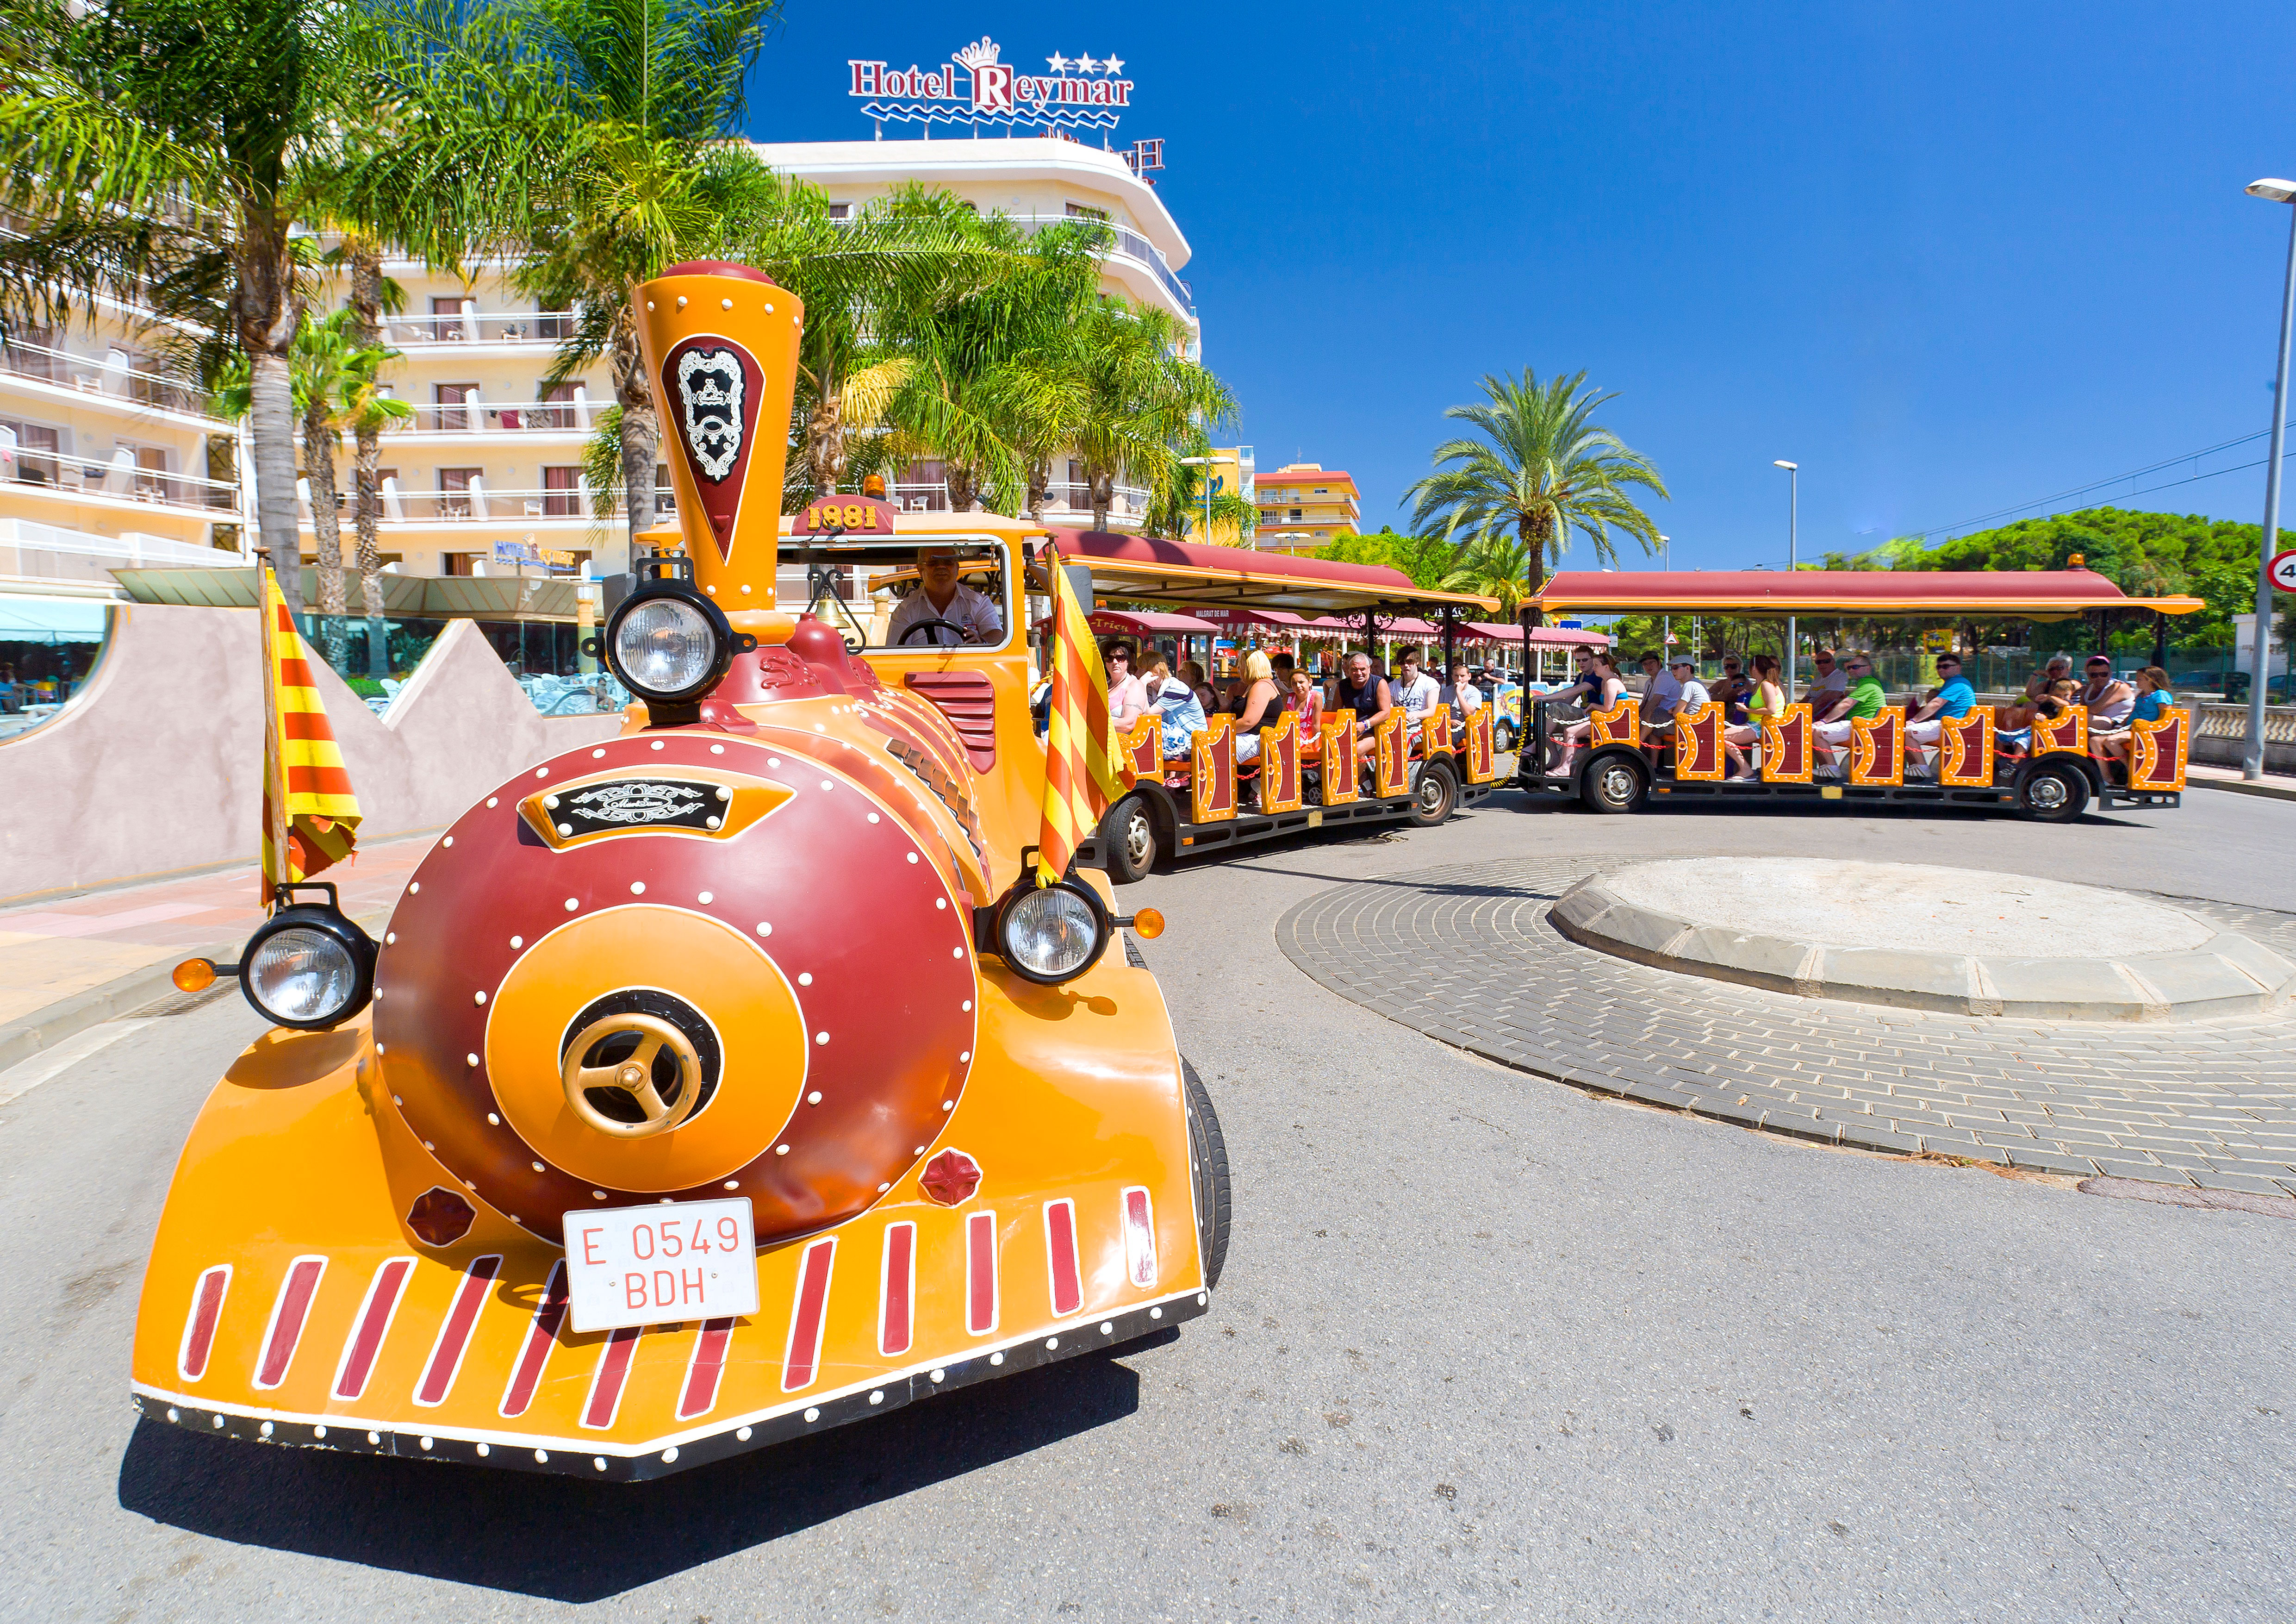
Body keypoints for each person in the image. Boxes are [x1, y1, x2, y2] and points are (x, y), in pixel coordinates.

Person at [885, 545, 1003, 646]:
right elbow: (893, 652)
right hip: (923, 671)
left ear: (957, 568)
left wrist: (981, 641)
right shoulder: (905, 610)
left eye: (948, 562)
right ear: (921, 569)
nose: (941, 567)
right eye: (933, 563)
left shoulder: (978, 603)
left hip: (969, 670)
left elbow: (996, 635)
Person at [1548, 650, 1627, 773]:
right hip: (1606, 719)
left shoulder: (1612, 682)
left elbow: (1607, 709)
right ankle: (1561, 765)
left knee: (1570, 731)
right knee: (1568, 730)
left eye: (1597, 666)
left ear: (1606, 667)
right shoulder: (1606, 682)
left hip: (1610, 722)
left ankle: (1565, 768)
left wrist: (1593, 705)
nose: (1594, 668)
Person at [2098, 667, 2174, 777]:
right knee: (2096, 740)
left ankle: (2131, 768)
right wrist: (2119, 726)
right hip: (2131, 728)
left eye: (2140, 679)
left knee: (2112, 741)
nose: (2137, 682)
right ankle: (2107, 776)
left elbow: (2166, 717)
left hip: (2144, 731)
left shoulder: (2161, 695)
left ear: (2151, 680)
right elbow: (2132, 713)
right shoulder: (2141, 696)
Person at [1813, 652, 1885, 767]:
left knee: (1816, 733)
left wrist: (1823, 721)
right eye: (1849, 668)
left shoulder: (1869, 684)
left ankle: (1830, 768)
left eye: (1856, 667)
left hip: (1862, 726)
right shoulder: (1866, 684)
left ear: (1868, 668)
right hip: (1861, 725)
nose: (1851, 670)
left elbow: (1846, 704)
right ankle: (1825, 768)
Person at [1904, 653, 1976, 766]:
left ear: (1958, 667)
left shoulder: (1958, 683)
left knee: (1904, 733)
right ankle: (1915, 768)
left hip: (1952, 725)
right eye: (1939, 667)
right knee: (1906, 735)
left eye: (1946, 666)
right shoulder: (1952, 683)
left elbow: (1937, 704)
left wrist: (1913, 721)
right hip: (1948, 724)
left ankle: (1921, 768)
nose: (1941, 670)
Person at [1723, 654, 1785, 777]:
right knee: (1720, 736)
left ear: (1755, 669)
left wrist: (1746, 710)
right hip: (1757, 723)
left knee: (1720, 738)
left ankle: (1746, 770)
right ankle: (1744, 769)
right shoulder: (1760, 685)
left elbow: (1771, 709)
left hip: (1764, 725)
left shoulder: (1767, 684)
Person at [1143, 655, 1205, 760]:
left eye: (1142, 671)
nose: (1138, 674)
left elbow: (1147, 715)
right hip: (1176, 741)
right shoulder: (1151, 691)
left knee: (1152, 725)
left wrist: (1142, 683)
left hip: (1194, 743)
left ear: (1155, 672)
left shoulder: (1176, 688)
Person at [2079, 656, 2136, 729]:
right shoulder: (2087, 690)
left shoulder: (2118, 687)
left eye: (2104, 674)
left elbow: (2094, 710)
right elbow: (2083, 709)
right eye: (2094, 675)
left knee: (2076, 716)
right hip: (2095, 724)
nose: (2099, 678)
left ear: (2110, 673)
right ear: (2088, 675)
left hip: (2116, 725)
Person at [1103, 641, 1150, 728]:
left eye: (1120, 658)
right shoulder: (1104, 686)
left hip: (1121, 739)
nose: (1115, 662)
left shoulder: (1135, 686)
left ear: (1128, 662)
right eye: (1109, 658)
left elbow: (1129, 723)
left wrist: (1096, 726)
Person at [1391, 649, 1441, 725]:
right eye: (1402, 663)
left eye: (1410, 662)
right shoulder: (1393, 685)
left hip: (1420, 727)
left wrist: (1416, 715)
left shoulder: (1430, 683)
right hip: (1397, 726)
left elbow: (1431, 711)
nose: (1406, 665)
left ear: (1418, 662)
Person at [1798, 647, 1847, 712]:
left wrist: (1805, 715)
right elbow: (1807, 699)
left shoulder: (1840, 677)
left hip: (1822, 716)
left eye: (1826, 661)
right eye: (1818, 662)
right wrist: (1793, 709)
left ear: (1834, 662)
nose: (1822, 664)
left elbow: (1823, 702)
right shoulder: (1818, 679)